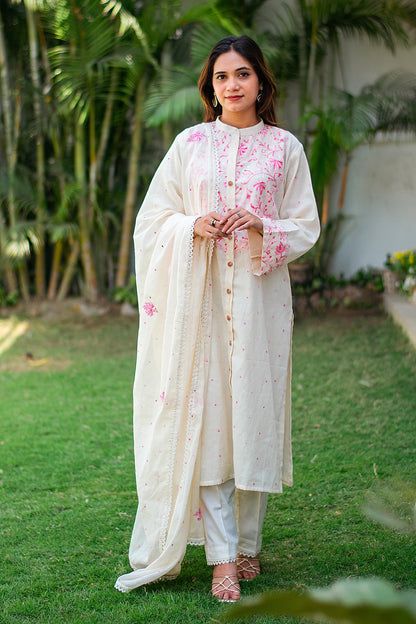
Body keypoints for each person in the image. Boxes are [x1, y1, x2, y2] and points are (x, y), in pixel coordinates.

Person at [115, 35, 320, 602]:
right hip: (197, 306)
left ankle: (249, 544)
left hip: (260, 304)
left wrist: (259, 225)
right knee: (208, 424)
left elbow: (305, 225)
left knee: (250, 419)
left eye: (243, 74)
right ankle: (223, 558)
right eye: (221, 76)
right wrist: (192, 226)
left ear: (261, 83)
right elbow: (154, 219)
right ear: (210, 86)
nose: (232, 85)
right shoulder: (189, 145)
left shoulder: (284, 149)